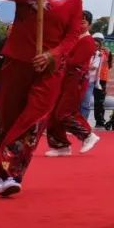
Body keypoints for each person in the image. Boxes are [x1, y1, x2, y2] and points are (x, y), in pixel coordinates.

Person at [0, 0, 84, 196]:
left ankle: (12, 173)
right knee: (8, 117)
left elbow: (72, 36)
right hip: (18, 63)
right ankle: (2, 165)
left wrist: (52, 55)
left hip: (50, 68)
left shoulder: (75, 2)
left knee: (35, 117)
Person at [45, 10, 102, 156]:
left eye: (83, 22)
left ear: (89, 25)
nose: (80, 24)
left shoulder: (88, 41)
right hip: (64, 78)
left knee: (64, 112)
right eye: (78, 21)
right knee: (53, 113)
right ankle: (60, 145)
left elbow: (75, 62)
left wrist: (58, 58)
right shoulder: (72, 38)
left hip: (76, 80)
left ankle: (88, 135)